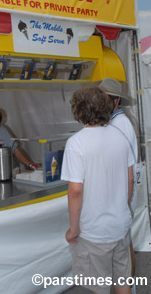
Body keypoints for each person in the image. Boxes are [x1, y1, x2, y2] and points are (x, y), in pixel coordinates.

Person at [61, 86, 135, 294]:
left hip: (93, 232)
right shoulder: (120, 137)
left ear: (78, 111)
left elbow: (76, 191)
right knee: (122, 282)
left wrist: (73, 229)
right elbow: (129, 178)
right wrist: (121, 208)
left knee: (97, 287)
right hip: (119, 225)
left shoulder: (76, 144)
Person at [99, 78, 138, 294]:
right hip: (120, 195)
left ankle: (127, 288)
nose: (102, 102)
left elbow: (128, 173)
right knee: (124, 243)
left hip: (120, 195)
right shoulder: (115, 122)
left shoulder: (119, 125)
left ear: (116, 100)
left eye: (106, 98)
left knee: (121, 246)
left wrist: (122, 202)